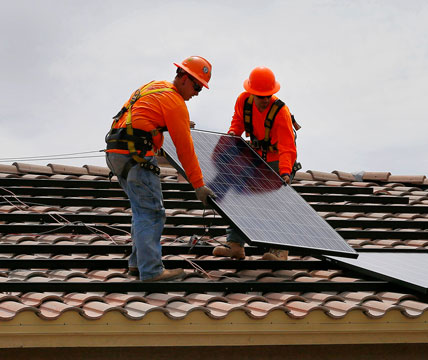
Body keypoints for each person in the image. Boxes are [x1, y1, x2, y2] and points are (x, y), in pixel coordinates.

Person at [105, 56, 215, 281]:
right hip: (137, 157)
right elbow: (185, 151)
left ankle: (137, 264)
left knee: (140, 210)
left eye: (201, 89)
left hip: (116, 152)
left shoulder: (155, 86)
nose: (196, 93)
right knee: (152, 212)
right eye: (196, 86)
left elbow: (139, 117)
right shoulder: (175, 103)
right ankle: (152, 270)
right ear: (183, 78)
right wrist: (199, 185)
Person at [213, 66, 298, 261]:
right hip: (256, 157)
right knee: (240, 196)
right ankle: (234, 245)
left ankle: (279, 250)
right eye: (261, 96)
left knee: (276, 202)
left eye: (269, 95)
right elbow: (237, 123)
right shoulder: (243, 101)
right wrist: (232, 138)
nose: (266, 100)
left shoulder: (281, 112)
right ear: (251, 93)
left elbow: (287, 147)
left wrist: (285, 172)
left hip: (278, 160)